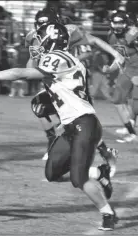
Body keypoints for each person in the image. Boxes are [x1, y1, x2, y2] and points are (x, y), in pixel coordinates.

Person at [0, 22, 123, 230]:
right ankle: (100, 173)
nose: (38, 43)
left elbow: (22, 74)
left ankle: (108, 213)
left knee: (78, 178)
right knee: (52, 174)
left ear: (51, 39)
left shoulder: (58, 57)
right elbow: (66, 90)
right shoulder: (68, 59)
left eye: (41, 38)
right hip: (73, 125)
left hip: (83, 124)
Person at [27, 8, 124, 167]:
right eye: (40, 25)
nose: (42, 28)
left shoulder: (68, 32)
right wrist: (33, 56)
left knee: (78, 122)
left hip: (71, 84)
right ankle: (53, 142)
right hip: (55, 84)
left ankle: (105, 152)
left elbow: (93, 40)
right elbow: (30, 68)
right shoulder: (35, 38)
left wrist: (116, 54)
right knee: (39, 106)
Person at [106, 10, 138, 142]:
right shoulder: (112, 36)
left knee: (136, 101)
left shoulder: (134, 33)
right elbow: (120, 57)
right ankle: (131, 131)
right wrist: (110, 68)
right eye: (115, 22)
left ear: (126, 23)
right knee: (118, 99)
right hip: (128, 69)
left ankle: (131, 125)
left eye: (121, 23)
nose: (118, 26)